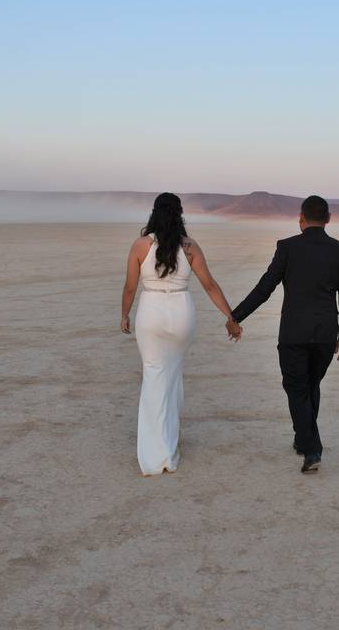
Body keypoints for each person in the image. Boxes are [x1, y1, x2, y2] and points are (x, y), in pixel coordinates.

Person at [229, 195, 339, 473]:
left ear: (301, 219)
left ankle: (312, 450)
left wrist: (235, 316)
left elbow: (265, 288)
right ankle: (302, 440)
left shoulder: (288, 248)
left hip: (294, 334)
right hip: (325, 334)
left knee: (297, 388)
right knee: (310, 387)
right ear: (329, 219)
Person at [121, 192, 240, 476]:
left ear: (154, 213)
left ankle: (155, 455)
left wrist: (124, 314)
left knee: (153, 376)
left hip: (151, 312)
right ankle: (168, 446)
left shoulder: (140, 245)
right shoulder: (190, 247)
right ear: (179, 214)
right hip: (181, 313)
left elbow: (129, 287)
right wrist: (231, 317)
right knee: (172, 376)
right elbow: (210, 285)